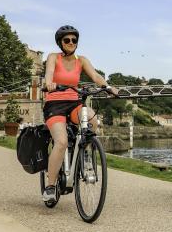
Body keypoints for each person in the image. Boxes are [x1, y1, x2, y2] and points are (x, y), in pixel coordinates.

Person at [42, 25, 118, 202]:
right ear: (60, 43)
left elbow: (95, 76)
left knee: (92, 121)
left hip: (74, 102)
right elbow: (49, 72)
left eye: (73, 40)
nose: (71, 43)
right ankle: (51, 186)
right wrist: (49, 83)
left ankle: (85, 153)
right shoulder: (54, 57)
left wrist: (107, 87)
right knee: (61, 142)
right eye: (66, 40)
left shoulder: (81, 60)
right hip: (54, 103)